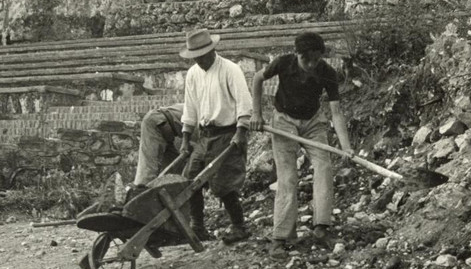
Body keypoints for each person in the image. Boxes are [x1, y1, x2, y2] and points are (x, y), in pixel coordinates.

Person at [132, 27, 252, 242]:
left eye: (202, 56)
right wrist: (186, 139)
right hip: (204, 134)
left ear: (211, 51)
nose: (199, 61)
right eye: (195, 57)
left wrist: (241, 132)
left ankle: (239, 226)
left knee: (224, 183)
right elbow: (191, 109)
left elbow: (244, 103)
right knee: (190, 181)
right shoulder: (194, 74)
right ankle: (198, 227)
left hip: (228, 132)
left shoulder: (230, 70)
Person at [250, 31, 352, 256]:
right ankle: (281, 237)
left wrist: (346, 147)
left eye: (316, 59)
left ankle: (321, 228)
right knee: (288, 177)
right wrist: (256, 114)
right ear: (298, 54)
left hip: (313, 122)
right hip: (283, 122)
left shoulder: (326, 72)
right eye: (307, 59)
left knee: (324, 167)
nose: (311, 64)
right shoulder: (283, 63)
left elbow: (335, 112)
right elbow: (257, 79)